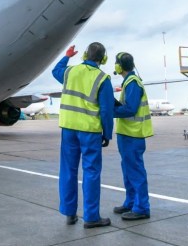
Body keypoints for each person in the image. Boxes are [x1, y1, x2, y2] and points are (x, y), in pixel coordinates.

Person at [52, 42, 114, 229]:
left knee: (68, 170)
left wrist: (67, 55)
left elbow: (56, 71)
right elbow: (106, 110)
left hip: (69, 129)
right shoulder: (102, 78)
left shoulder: (70, 72)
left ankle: (70, 214)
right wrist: (107, 134)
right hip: (90, 131)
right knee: (91, 172)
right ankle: (91, 217)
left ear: (85, 54)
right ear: (103, 59)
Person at [112, 52, 153, 220]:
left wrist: (110, 111)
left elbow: (130, 109)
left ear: (119, 66)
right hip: (126, 133)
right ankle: (130, 202)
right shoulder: (128, 82)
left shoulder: (133, 83)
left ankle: (142, 207)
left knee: (135, 171)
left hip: (133, 135)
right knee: (128, 171)